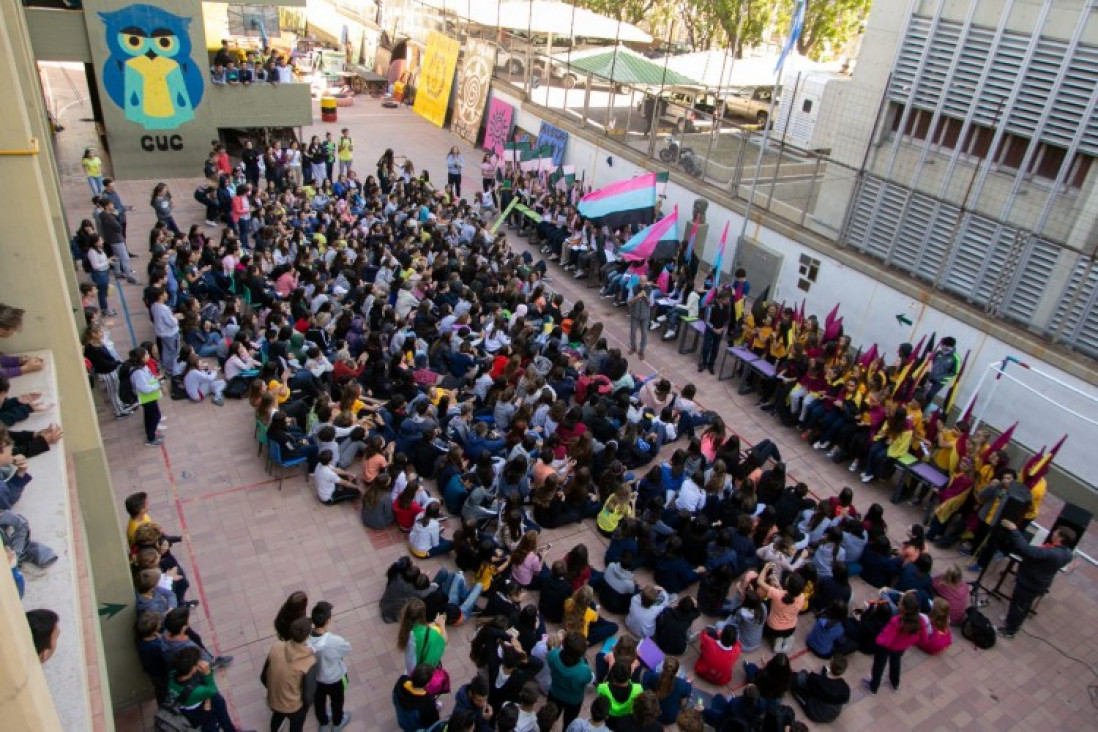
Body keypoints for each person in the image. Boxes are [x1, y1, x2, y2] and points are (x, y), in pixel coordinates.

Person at [996, 519, 1075, 638]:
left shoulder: (1050, 553)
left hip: (1029, 582)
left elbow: (1026, 550)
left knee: (1018, 605)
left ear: (1061, 538)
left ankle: (1009, 630)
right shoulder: (1068, 553)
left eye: (1056, 533)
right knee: (1025, 606)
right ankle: (1013, 623)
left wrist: (1014, 530)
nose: (1053, 533)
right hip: (1040, 584)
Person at [862, 590, 926, 695]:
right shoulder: (920, 620)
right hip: (901, 648)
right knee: (895, 663)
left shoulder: (897, 621)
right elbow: (924, 638)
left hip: (886, 648)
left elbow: (886, 639)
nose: (898, 604)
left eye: (900, 603)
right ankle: (894, 683)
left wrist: (878, 641)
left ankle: (873, 687)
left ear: (904, 608)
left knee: (878, 667)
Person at [166, 646, 244, 731]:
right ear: (192, 669)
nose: (201, 662)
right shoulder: (197, 691)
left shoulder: (173, 674)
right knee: (211, 725)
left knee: (220, 706)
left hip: (193, 703)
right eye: (198, 662)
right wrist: (207, 673)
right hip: (201, 711)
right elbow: (212, 690)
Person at [264, 617, 316, 732]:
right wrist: (305, 706)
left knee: (277, 717)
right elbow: (308, 695)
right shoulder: (309, 662)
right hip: (294, 707)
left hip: (274, 700)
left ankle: (275, 729)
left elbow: (264, 677)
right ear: (307, 637)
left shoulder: (276, 647)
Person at [306, 601, 352, 730]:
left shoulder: (306, 638)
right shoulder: (335, 641)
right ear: (328, 620)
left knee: (319, 703)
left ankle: (323, 722)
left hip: (316, 678)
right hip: (335, 679)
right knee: (337, 702)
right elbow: (347, 649)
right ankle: (337, 722)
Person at [547, 631, 594, 729]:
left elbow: (553, 652)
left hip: (554, 693)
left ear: (563, 644)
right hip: (573, 701)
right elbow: (590, 679)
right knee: (569, 724)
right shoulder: (584, 670)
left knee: (550, 719)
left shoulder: (553, 655)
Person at [790, 653, 851, 724]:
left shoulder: (818, 681)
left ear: (831, 662)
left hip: (815, 713)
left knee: (795, 679)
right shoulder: (845, 688)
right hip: (832, 715)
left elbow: (804, 681)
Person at [393, 664, 442, 732]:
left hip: (403, 722)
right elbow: (433, 725)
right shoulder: (427, 704)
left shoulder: (401, 681)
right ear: (427, 684)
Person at [698, 289, 730, 374]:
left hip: (719, 331)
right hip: (710, 330)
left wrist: (722, 329)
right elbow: (707, 320)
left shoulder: (726, 307)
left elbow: (727, 320)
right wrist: (714, 329)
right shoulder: (711, 306)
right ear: (721, 299)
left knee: (715, 348)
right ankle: (704, 363)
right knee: (706, 347)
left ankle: (711, 364)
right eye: (726, 299)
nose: (728, 301)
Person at [923, 337, 961, 405]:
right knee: (923, 392)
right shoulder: (939, 352)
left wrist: (941, 378)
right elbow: (931, 362)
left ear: (947, 346)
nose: (940, 345)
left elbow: (954, 373)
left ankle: (923, 409)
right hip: (930, 377)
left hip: (939, 382)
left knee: (930, 395)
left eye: (942, 344)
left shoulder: (956, 358)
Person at [627, 277, 651, 360]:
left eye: (644, 281)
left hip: (645, 315)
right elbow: (629, 302)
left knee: (644, 333)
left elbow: (651, 303)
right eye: (641, 281)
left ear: (646, 282)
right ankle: (633, 347)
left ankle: (641, 351)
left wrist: (645, 297)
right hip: (635, 314)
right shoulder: (633, 288)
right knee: (633, 331)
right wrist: (637, 297)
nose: (643, 283)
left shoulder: (649, 290)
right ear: (639, 281)